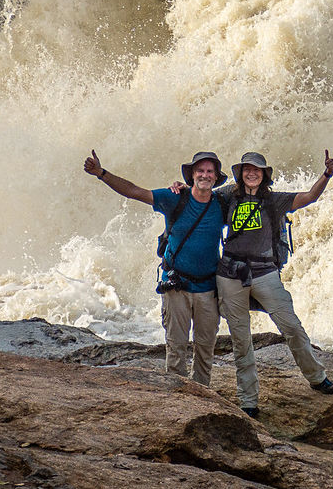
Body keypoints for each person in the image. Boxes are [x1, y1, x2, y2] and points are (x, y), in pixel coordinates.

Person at [84, 149, 228, 386]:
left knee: (206, 346)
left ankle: (203, 394)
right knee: (176, 345)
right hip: (177, 285)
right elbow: (134, 192)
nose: (205, 175)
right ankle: (175, 395)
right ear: (192, 175)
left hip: (208, 287)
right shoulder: (175, 198)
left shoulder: (222, 203)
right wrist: (101, 173)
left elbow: (250, 194)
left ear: (216, 177)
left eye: (210, 171)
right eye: (200, 170)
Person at [215, 149, 333, 417]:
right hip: (231, 273)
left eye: (257, 170)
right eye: (248, 169)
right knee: (240, 339)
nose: (252, 173)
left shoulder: (275, 200)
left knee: (292, 327)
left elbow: (309, 197)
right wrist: (180, 187)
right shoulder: (227, 196)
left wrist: (327, 174)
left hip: (265, 272)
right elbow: (198, 197)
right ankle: (248, 400)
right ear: (240, 173)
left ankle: (317, 377)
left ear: (264, 175)